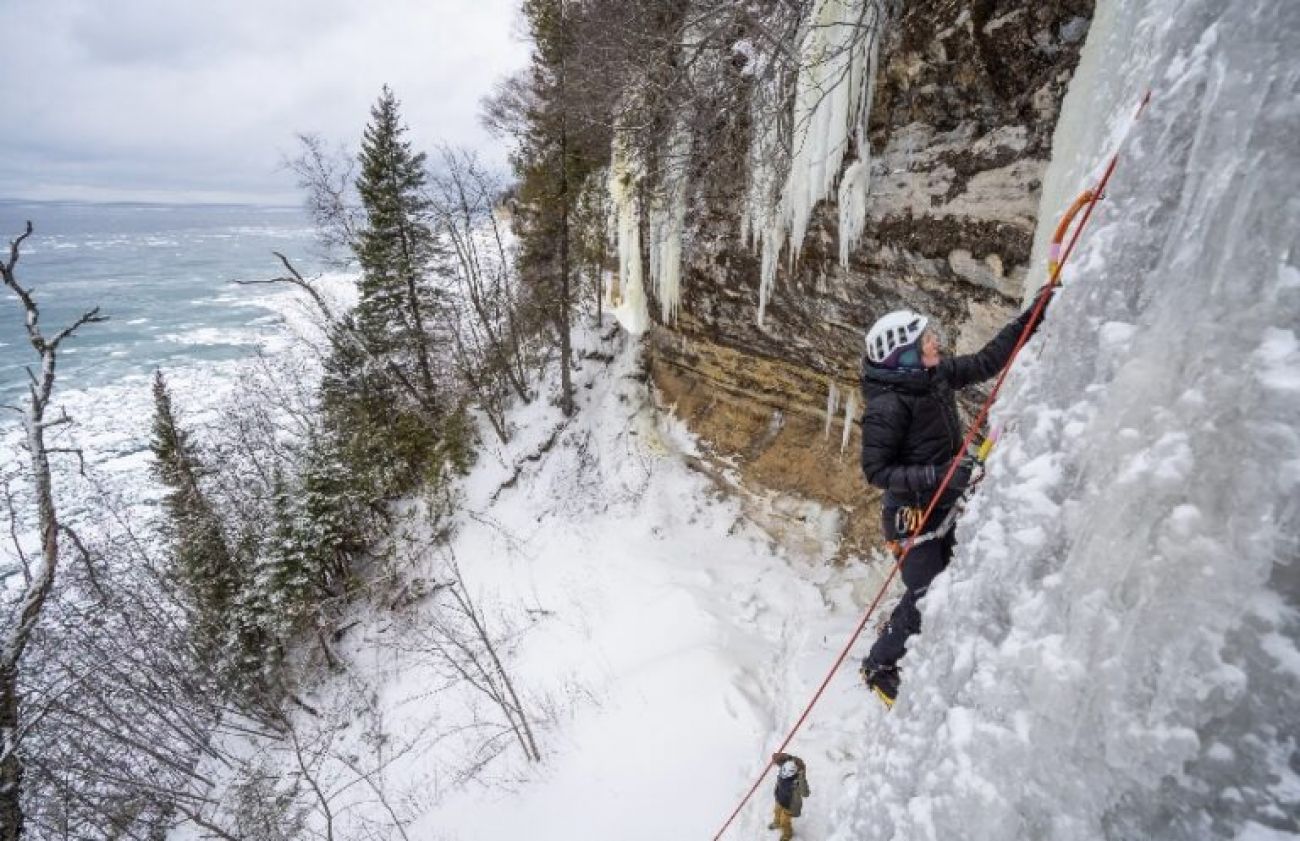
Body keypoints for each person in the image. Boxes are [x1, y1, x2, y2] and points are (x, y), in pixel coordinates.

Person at [858, 291, 1049, 706]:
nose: (935, 343)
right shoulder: (886, 407)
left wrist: (1031, 318)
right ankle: (878, 664)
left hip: (944, 499)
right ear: (904, 355)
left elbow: (985, 362)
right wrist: (940, 474)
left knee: (958, 576)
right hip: (911, 514)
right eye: (925, 340)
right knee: (928, 592)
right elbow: (876, 471)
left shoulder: (934, 376)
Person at [768, 752, 810, 841]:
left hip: (789, 805)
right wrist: (782, 756)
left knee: (784, 821)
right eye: (783, 770)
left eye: (787, 773)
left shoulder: (798, 781)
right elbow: (778, 758)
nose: (783, 773)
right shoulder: (785, 766)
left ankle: (787, 834)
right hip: (780, 798)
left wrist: (802, 777)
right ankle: (777, 823)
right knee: (776, 812)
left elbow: (805, 793)